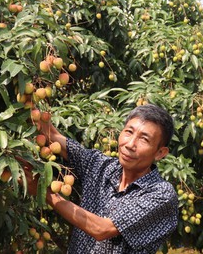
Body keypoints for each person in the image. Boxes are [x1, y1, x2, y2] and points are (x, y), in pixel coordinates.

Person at [25, 104, 178, 253]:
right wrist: (30, 98)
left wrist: (44, 192)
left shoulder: (161, 194)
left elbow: (102, 229)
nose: (130, 144)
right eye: (129, 132)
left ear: (160, 153)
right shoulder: (103, 167)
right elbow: (53, 137)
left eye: (144, 139)